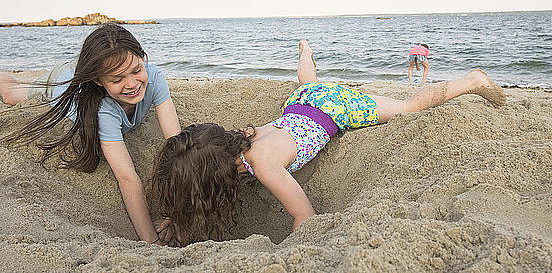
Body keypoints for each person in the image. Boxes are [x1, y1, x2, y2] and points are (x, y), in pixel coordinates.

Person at [149, 39, 505, 246]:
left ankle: (472, 80)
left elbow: (305, 215)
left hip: (334, 109)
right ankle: (306, 50)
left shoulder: (266, 165)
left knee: (410, 106)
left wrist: (287, 252)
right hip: (301, 102)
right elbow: (199, 169)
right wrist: (178, 219)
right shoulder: (234, 140)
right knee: (307, 80)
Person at [0, 23, 181, 245]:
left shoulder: (155, 77)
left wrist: (176, 213)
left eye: (136, 70)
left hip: (93, 64)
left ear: (143, 58)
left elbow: (176, 147)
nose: (132, 83)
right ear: (99, 81)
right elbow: (128, 179)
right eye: (117, 79)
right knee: (11, 94)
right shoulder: (103, 110)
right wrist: (152, 242)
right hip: (63, 82)